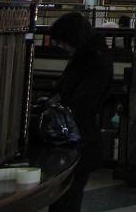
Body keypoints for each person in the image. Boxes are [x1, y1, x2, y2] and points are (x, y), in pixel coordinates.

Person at [48, 12, 114, 212]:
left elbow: (83, 103)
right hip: (78, 137)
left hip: (80, 139)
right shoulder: (87, 58)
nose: (61, 46)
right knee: (65, 196)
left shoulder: (94, 61)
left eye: (63, 41)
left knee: (68, 197)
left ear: (73, 36)